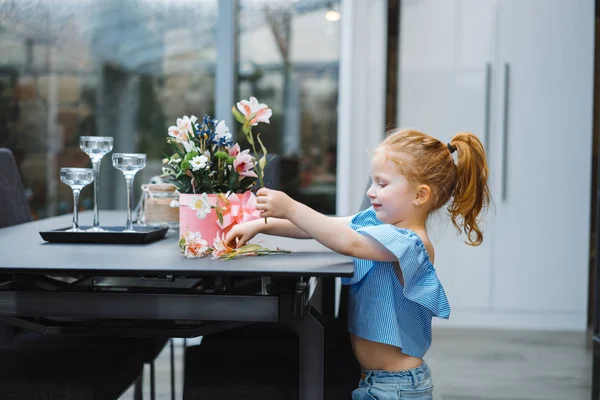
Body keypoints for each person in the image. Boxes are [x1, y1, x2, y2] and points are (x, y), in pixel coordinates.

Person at [225, 128, 491, 399]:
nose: (371, 191)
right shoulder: (377, 223)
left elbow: (348, 242)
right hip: (375, 381)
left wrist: (291, 207)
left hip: (397, 387)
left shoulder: (411, 243)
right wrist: (260, 225)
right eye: (373, 182)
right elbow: (321, 227)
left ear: (420, 195)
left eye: (382, 184)